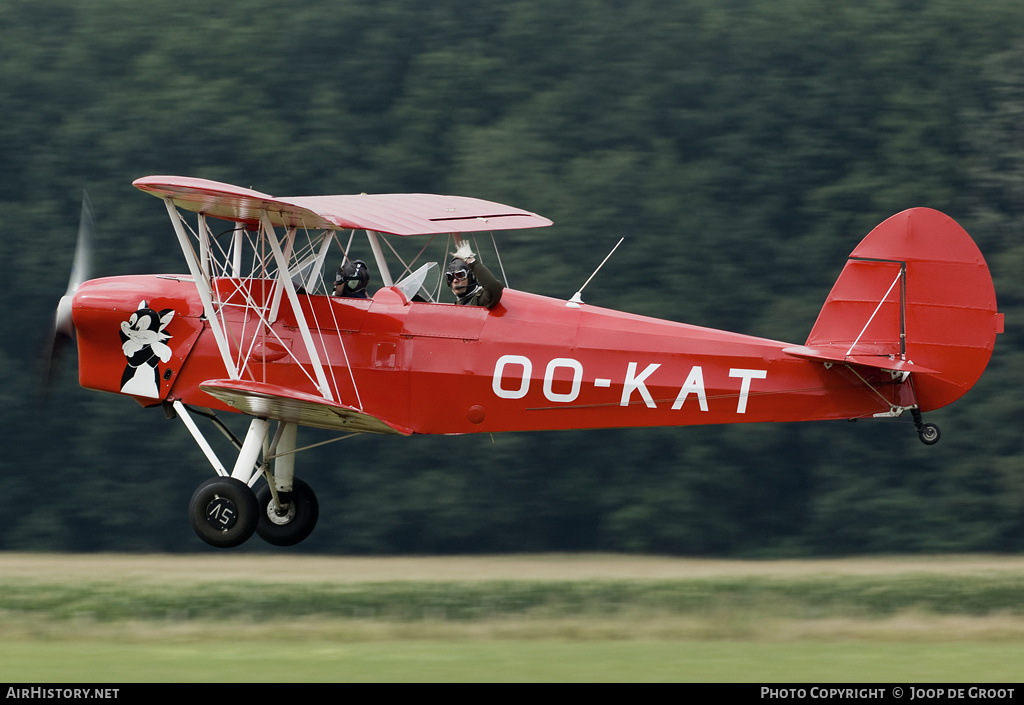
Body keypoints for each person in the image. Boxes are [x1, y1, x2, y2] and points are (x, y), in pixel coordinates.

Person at [446, 241, 503, 308]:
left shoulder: (480, 299)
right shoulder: (459, 304)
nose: (455, 281)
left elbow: (494, 287)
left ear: (472, 277)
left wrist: (472, 262)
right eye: (450, 277)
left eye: (460, 275)